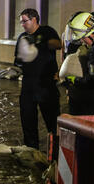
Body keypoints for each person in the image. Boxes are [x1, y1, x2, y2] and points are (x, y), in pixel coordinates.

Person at [14, 8, 61, 150]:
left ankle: (57, 152)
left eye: (24, 21)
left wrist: (40, 43)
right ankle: (31, 150)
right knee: (27, 120)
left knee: (52, 121)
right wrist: (22, 58)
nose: (22, 24)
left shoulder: (47, 31)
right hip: (28, 85)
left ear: (34, 19)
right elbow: (18, 60)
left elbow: (57, 45)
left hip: (46, 85)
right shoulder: (22, 37)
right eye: (21, 22)